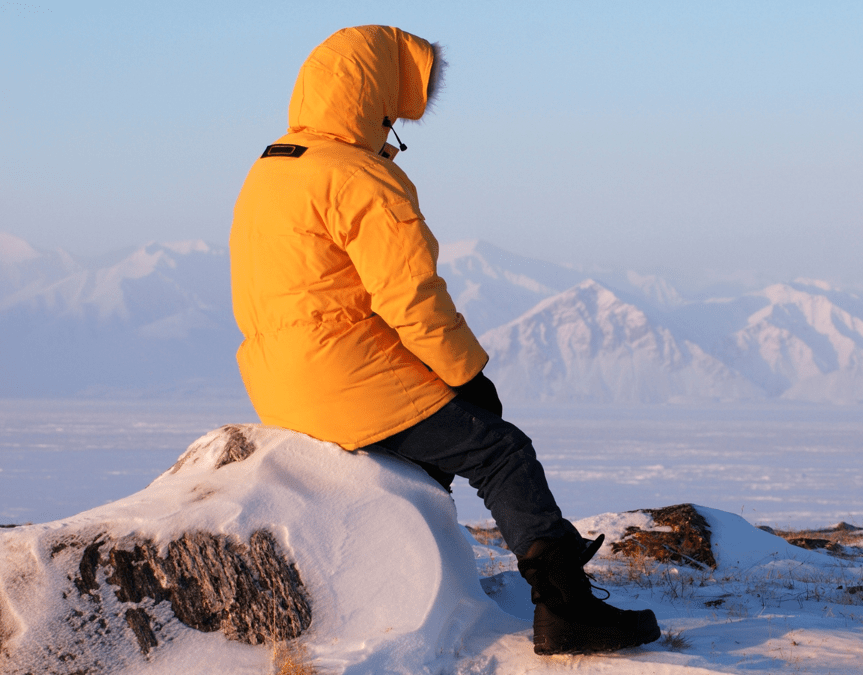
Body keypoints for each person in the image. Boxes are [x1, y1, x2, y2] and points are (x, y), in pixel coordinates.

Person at [228, 25, 659, 655]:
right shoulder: (359, 177)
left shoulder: (271, 169)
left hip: (279, 383)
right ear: (374, 94)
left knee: (430, 453)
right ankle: (567, 610)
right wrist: (466, 373)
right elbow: (412, 298)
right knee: (501, 451)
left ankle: (413, 574)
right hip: (345, 379)